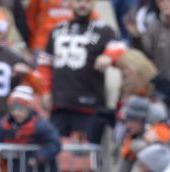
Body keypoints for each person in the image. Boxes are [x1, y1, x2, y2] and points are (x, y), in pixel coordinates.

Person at [39, 0, 121, 144]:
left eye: (87, 1)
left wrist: (109, 56)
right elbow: (45, 63)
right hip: (60, 104)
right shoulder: (57, 29)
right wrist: (45, 90)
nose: (82, 4)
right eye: (78, 1)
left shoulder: (104, 30)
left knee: (89, 156)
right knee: (54, 150)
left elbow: (120, 49)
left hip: (89, 105)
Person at [0, 86, 63, 172]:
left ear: (29, 109)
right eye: (14, 109)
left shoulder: (40, 125)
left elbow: (54, 143)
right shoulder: (3, 124)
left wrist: (39, 157)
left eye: (21, 109)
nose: (17, 113)